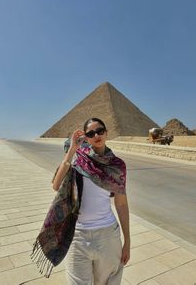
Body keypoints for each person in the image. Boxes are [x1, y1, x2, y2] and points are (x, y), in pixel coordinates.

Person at [52, 117, 130, 285]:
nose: (97, 135)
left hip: (108, 235)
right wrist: (72, 149)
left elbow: (121, 204)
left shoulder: (117, 166)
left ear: (107, 133)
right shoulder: (77, 159)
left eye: (100, 131)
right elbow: (56, 185)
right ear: (86, 137)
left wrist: (127, 242)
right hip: (77, 235)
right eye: (91, 133)